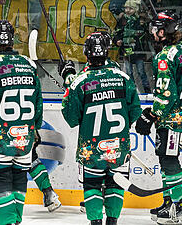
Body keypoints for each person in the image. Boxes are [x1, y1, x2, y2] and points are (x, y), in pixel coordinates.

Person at [63, 32, 141, 225]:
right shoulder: (122, 77)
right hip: (118, 145)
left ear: (86, 53)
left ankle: (96, 222)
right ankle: (112, 221)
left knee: (92, 185)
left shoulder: (80, 82)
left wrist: (68, 81)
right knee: (116, 183)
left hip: (91, 147)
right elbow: (135, 110)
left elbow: (71, 117)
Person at [0, 19, 42, 225]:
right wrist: (34, 128)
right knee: (20, 179)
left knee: (1, 180)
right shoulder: (29, 64)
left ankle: (7, 223)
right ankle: (15, 221)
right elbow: (38, 103)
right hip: (24, 136)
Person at [135, 11, 182, 225]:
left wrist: (151, 114)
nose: (152, 34)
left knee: (169, 161)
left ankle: (179, 208)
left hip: (172, 118)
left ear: (163, 32)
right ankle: (168, 202)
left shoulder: (165, 56)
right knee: (165, 158)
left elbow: (166, 94)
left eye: (155, 30)